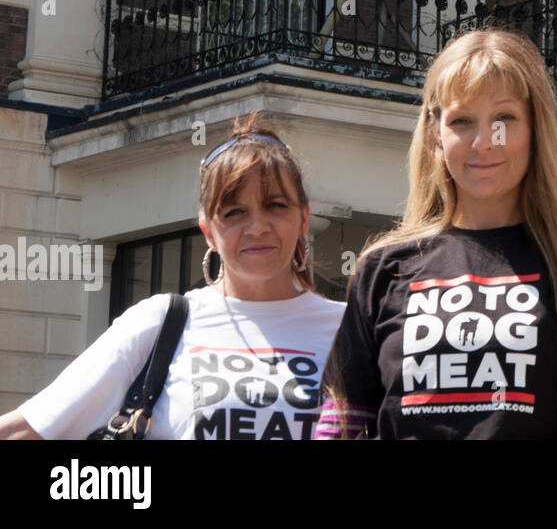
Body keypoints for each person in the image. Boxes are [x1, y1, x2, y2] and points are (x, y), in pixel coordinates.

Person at [316, 28, 557, 440]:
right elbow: (339, 425)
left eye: (504, 118)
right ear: (435, 134)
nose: (483, 142)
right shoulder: (383, 269)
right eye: (462, 121)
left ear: (537, 131)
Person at [0, 116, 345, 440]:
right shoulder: (162, 321)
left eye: (276, 205)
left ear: (303, 219)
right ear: (208, 231)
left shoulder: (352, 328)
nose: (257, 227)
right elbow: (27, 429)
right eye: (235, 212)